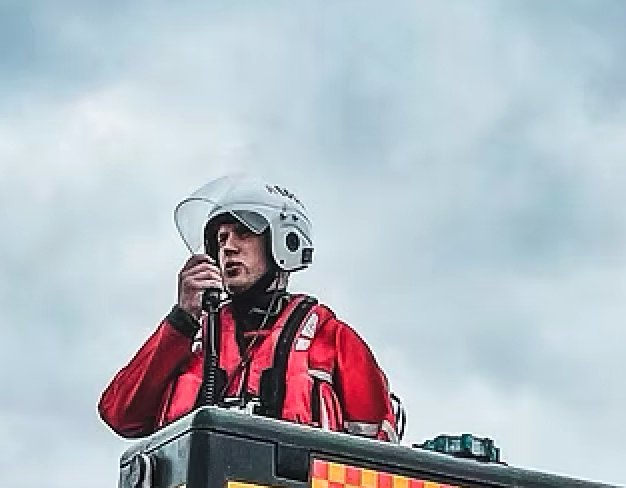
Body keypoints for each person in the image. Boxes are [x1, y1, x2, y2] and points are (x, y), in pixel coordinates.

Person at [99, 175, 403, 443]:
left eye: (243, 233)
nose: (227, 248)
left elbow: (379, 456)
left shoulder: (333, 340)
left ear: (285, 241)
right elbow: (121, 415)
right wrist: (182, 320)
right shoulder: (192, 341)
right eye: (220, 239)